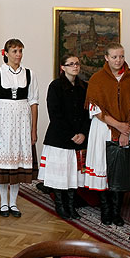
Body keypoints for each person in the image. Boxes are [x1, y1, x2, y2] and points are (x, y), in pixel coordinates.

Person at [84, 43, 130, 226]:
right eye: (114, 57)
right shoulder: (97, 79)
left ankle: (117, 211)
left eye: (121, 56)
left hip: (129, 129)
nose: (118, 60)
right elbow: (95, 109)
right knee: (105, 168)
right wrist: (118, 126)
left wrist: (125, 130)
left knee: (123, 170)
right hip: (104, 129)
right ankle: (106, 210)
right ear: (106, 57)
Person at [0, 39, 39, 218]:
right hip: (4, 122)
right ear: (6, 53)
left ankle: (14, 203)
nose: (18, 55)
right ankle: (3, 203)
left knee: (17, 162)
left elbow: (33, 103)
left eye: (20, 51)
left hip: (22, 122)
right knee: (5, 163)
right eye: (14, 51)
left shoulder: (29, 74)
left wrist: (33, 129)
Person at [37, 54, 91, 220]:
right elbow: (55, 113)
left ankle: (71, 205)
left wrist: (82, 133)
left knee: (73, 175)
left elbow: (87, 113)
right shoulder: (55, 86)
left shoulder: (84, 86)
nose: (75, 66)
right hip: (60, 138)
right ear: (63, 67)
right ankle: (60, 205)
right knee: (60, 175)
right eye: (71, 64)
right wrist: (71, 134)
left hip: (79, 138)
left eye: (77, 63)